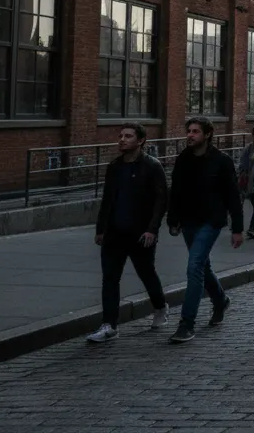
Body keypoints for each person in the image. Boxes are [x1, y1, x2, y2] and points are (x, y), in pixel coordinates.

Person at [87, 123, 170, 343]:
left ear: (141, 140)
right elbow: (107, 200)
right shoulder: (114, 166)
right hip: (114, 233)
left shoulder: (152, 166)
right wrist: (101, 229)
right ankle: (109, 325)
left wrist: (152, 230)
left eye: (128, 136)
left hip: (140, 233)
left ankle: (161, 306)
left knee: (146, 273)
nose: (122, 139)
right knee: (110, 278)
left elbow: (161, 200)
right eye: (121, 135)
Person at [166, 117, 243, 344]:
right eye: (188, 131)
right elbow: (177, 191)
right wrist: (173, 218)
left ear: (207, 134)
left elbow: (233, 196)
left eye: (195, 131)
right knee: (203, 266)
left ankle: (186, 324)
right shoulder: (183, 159)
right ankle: (220, 300)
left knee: (194, 266)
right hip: (189, 221)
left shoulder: (221, 161)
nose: (190, 135)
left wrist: (237, 228)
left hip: (211, 221)